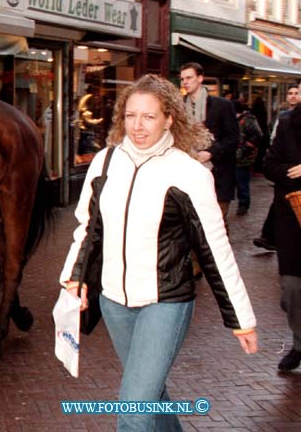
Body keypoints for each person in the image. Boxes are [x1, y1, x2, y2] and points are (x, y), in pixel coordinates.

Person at [60, 74, 258, 432]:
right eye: (131, 115)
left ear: (170, 118)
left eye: (149, 116)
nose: (138, 126)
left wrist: (240, 317)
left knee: (134, 410)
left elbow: (215, 249)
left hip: (165, 303)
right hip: (114, 303)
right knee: (151, 396)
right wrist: (75, 277)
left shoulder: (188, 173)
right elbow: (89, 228)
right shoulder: (104, 162)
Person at [263, 103, 301, 372]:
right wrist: (291, 171)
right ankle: (300, 343)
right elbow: (268, 165)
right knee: (291, 289)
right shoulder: (288, 123)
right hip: (291, 218)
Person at [180, 62, 239, 223]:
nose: (185, 82)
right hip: (189, 173)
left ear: (200, 78)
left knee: (217, 224)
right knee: (193, 224)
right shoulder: (178, 107)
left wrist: (211, 152)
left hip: (218, 174)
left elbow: (233, 138)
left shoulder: (222, 105)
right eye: (182, 79)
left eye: (189, 77)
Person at [254, 84, 300, 251]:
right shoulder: (285, 119)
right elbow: (271, 164)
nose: (294, 96)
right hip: (289, 198)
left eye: (297, 93)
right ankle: (268, 237)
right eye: (292, 93)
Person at [234, 100, 263, 215]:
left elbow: (257, 136)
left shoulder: (248, 120)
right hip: (233, 156)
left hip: (243, 158)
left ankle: (243, 204)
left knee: (242, 183)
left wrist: (246, 147)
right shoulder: (233, 119)